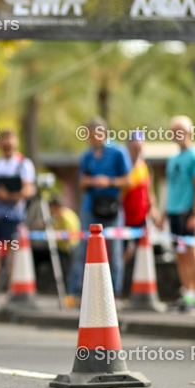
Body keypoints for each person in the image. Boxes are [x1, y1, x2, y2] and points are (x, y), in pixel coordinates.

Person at [68, 117, 132, 304]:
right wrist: (87, 182)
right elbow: (81, 180)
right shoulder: (87, 155)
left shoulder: (118, 152)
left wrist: (108, 181)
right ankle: (77, 291)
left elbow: (128, 180)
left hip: (111, 207)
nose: (90, 138)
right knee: (82, 249)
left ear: (102, 132)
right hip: (90, 206)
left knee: (115, 250)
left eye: (92, 134)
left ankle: (115, 293)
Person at [0, 130, 36, 305]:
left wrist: (8, 195)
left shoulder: (23, 164)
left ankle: (11, 289)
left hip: (14, 216)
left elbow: (28, 191)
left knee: (11, 254)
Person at [159, 116, 195, 313]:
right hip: (173, 212)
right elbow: (170, 188)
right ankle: (187, 293)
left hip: (187, 211)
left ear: (189, 132)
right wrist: (163, 213)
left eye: (181, 131)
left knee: (192, 253)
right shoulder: (172, 160)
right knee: (180, 255)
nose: (177, 135)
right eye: (174, 131)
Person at [122, 130, 157, 265]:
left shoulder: (145, 166)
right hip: (125, 217)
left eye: (140, 147)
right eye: (134, 147)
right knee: (125, 251)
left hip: (141, 218)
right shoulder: (124, 167)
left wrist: (153, 207)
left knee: (142, 251)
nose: (137, 151)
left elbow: (150, 190)